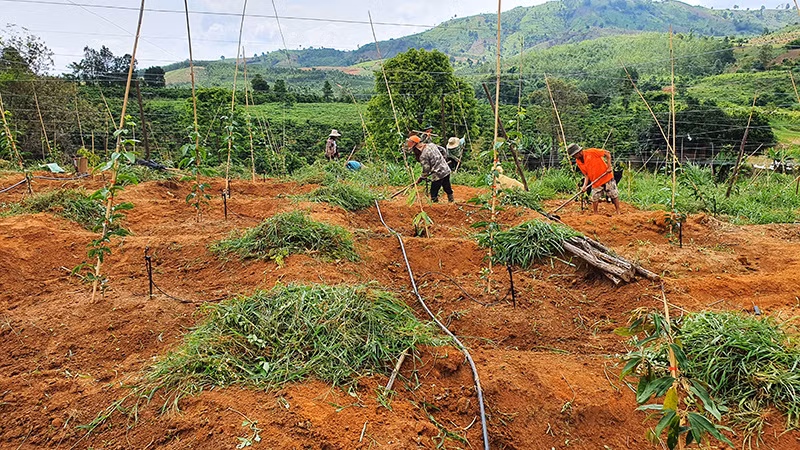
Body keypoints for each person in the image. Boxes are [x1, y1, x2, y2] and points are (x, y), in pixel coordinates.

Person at [568, 143, 621, 214]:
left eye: (574, 155)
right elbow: (586, 175)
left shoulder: (592, 152)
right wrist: (584, 186)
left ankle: (618, 211)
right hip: (595, 181)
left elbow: (607, 153)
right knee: (595, 197)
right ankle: (595, 214)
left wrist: (609, 166)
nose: (574, 157)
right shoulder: (578, 161)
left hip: (606, 177)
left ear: (578, 152)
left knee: (613, 194)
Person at [407, 135, 454, 203]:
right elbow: (443, 149)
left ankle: (435, 205)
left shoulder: (423, 155)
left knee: (433, 191)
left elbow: (426, 169)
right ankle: (451, 200)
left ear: (416, 147)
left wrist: (422, 178)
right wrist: (443, 159)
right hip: (446, 169)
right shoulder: (431, 145)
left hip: (438, 174)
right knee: (446, 185)